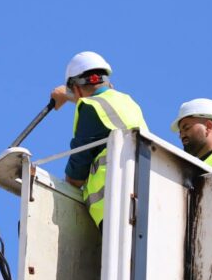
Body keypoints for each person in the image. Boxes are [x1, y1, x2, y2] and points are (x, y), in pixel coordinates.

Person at [51, 51, 147, 228]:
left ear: (77, 88)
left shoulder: (89, 108)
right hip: (144, 197)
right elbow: (101, 100)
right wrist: (67, 95)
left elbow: (76, 174)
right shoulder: (128, 102)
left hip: (114, 206)